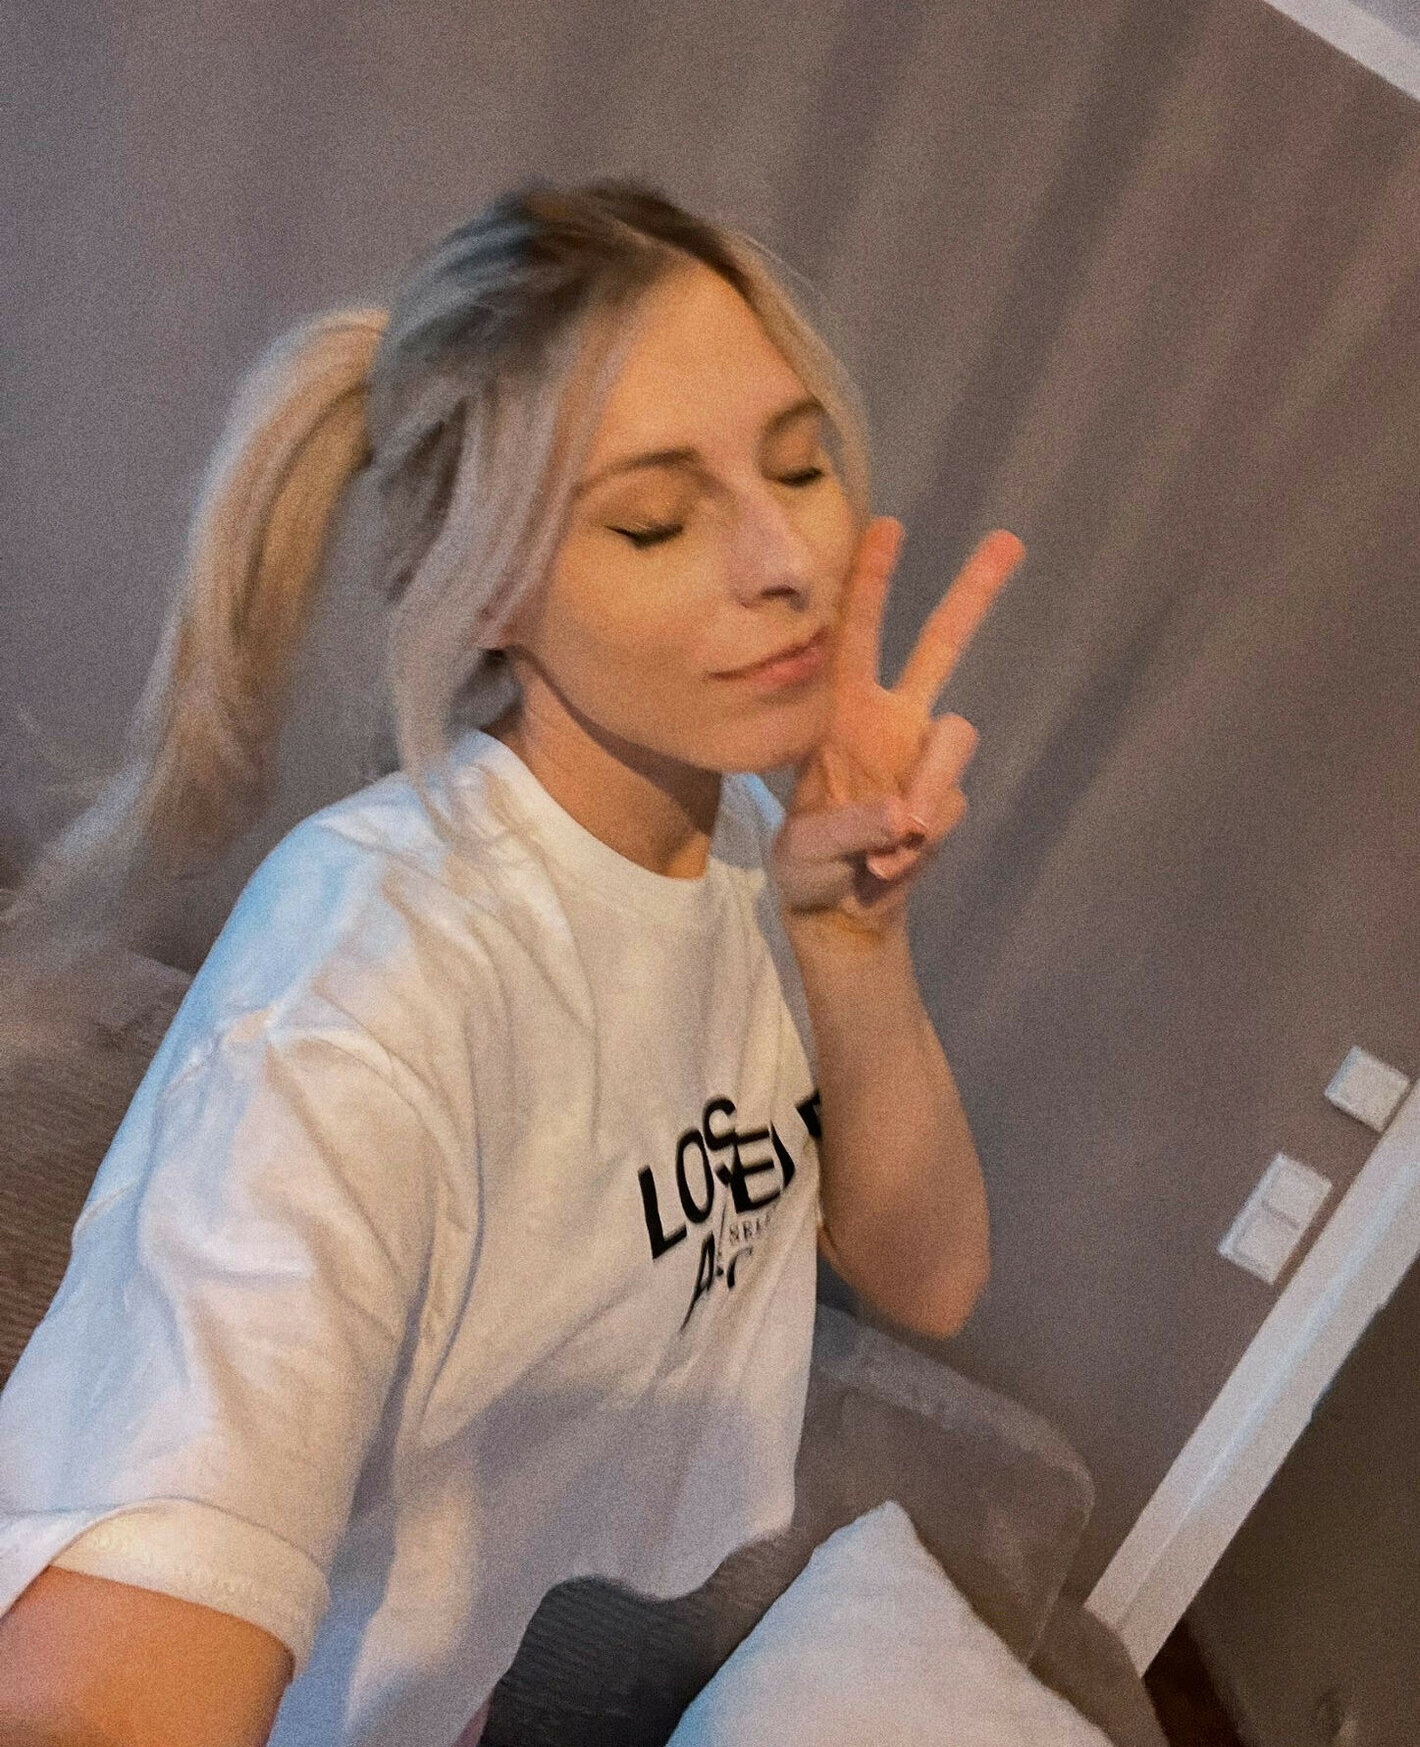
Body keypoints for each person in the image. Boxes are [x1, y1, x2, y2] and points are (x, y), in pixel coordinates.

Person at [0, 179, 1024, 1747]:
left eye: (797, 463)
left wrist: (855, 943)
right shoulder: (376, 966)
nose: (785, 558)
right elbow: (103, 1685)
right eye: (654, 519)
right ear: (491, 591)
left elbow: (932, 1274)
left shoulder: (756, 845)